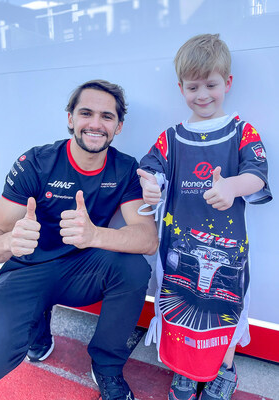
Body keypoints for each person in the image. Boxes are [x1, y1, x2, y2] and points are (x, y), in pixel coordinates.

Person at [0, 79, 158, 400]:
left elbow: (148, 239)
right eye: (86, 113)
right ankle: (37, 321)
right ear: (70, 118)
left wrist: (94, 235)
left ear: (118, 126)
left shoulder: (125, 167)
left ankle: (106, 367)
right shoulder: (36, 162)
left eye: (107, 116)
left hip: (82, 268)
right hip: (29, 269)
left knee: (133, 269)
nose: (95, 123)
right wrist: (10, 242)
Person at [137, 34, 272, 400]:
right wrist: (149, 185)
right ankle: (184, 370)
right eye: (192, 86)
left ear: (226, 83)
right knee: (178, 305)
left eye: (210, 84)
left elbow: (257, 173)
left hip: (229, 251)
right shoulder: (172, 136)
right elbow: (150, 169)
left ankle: (223, 369)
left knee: (226, 309)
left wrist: (231, 186)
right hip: (179, 247)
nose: (202, 94)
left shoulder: (242, 131)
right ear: (180, 87)